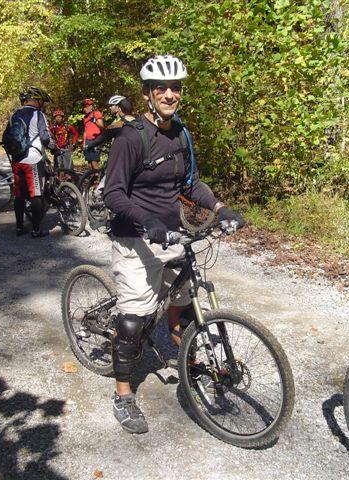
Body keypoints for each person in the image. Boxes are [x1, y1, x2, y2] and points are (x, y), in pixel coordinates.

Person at [103, 55, 245, 434]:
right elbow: (112, 193)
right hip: (135, 237)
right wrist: (146, 220)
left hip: (171, 234)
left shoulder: (180, 133)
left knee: (183, 304)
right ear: (147, 93)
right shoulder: (131, 138)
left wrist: (220, 207)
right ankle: (123, 395)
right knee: (133, 322)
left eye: (176, 87)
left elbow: (189, 184)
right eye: (161, 88)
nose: (170, 94)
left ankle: (187, 361)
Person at [3, 86, 54, 238]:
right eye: (42, 101)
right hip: (33, 159)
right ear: (37, 101)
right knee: (35, 194)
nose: (43, 104)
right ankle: (36, 229)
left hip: (17, 159)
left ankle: (19, 227)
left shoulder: (14, 115)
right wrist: (54, 148)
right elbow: (45, 137)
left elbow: (7, 136)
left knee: (19, 194)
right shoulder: (39, 115)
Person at [49, 110, 78, 180]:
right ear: (54, 118)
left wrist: (74, 144)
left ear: (62, 118)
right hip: (57, 149)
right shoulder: (53, 128)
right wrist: (52, 145)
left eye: (59, 117)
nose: (58, 118)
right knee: (58, 168)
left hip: (66, 148)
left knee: (68, 168)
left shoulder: (67, 127)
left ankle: (71, 183)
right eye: (56, 117)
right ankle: (59, 183)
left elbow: (75, 134)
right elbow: (47, 135)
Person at [82, 98, 104, 169]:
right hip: (88, 141)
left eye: (87, 106)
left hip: (96, 140)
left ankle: (98, 178)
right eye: (84, 107)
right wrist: (84, 144)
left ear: (91, 107)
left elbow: (102, 126)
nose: (85, 108)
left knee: (94, 162)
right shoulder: (85, 118)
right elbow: (85, 131)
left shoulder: (96, 113)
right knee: (89, 163)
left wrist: (95, 121)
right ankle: (92, 179)